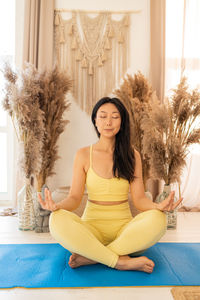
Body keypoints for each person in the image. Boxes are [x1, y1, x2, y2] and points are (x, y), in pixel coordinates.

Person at [38, 97, 182, 273]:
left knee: (159, 219)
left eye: (115, 117)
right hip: (91, 229)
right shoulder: (83, 154)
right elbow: (74, 198)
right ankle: (120, 261)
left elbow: (139, 199)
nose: (108, 122)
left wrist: (157, 206)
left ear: (122, 122)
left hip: (125, 232)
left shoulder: (132, 155)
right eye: (103, 116)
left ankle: (93, 256)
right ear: (95, 121)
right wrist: (57, 206)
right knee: (56, 219)